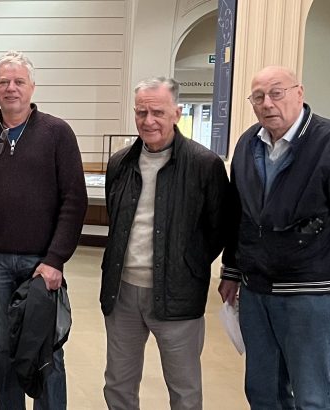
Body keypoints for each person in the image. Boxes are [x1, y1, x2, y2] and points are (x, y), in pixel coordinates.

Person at [219, 66, 330, 409]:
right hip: (256, 291)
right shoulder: (249, 144)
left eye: (276, 93)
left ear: (299, 93)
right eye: (258, 96)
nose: (267, 103)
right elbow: (240, 218)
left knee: (311, 396)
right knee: (263, 392)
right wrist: (232, 271)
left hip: (310, 295)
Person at [0, 50, 86, 410]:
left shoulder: (57, 133)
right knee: (5, 349)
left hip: (41, 264)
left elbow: (74, 201)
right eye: (4, 82)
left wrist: (55, 260)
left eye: (19, 81)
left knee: (45, 347)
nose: (11, 88)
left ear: (32, 87)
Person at [100, 77, 231, 410]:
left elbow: (220, 228)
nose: (148, 121)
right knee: (118, 384)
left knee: (184, 390)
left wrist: (187, 264)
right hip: (123, 292)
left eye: (157, 112)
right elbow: (117, 223)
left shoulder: (205, 165)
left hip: (178, 295)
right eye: (140, 112)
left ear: (177, 112)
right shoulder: (120, 164)